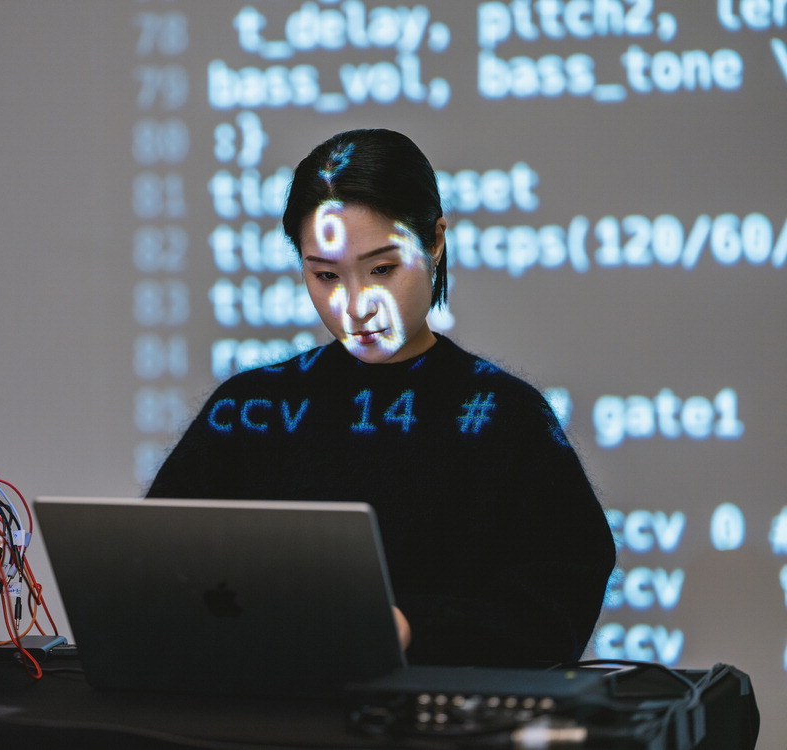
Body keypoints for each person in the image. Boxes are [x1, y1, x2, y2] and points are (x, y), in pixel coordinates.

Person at [147, 128, 615, 667]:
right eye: (326, 275)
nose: (356, 306)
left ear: (435, 241)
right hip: (257, 704)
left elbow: (554, 610)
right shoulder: (247, 410)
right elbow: (149, 570)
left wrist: (408, 626)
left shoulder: (506, 419)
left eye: (382, 269)